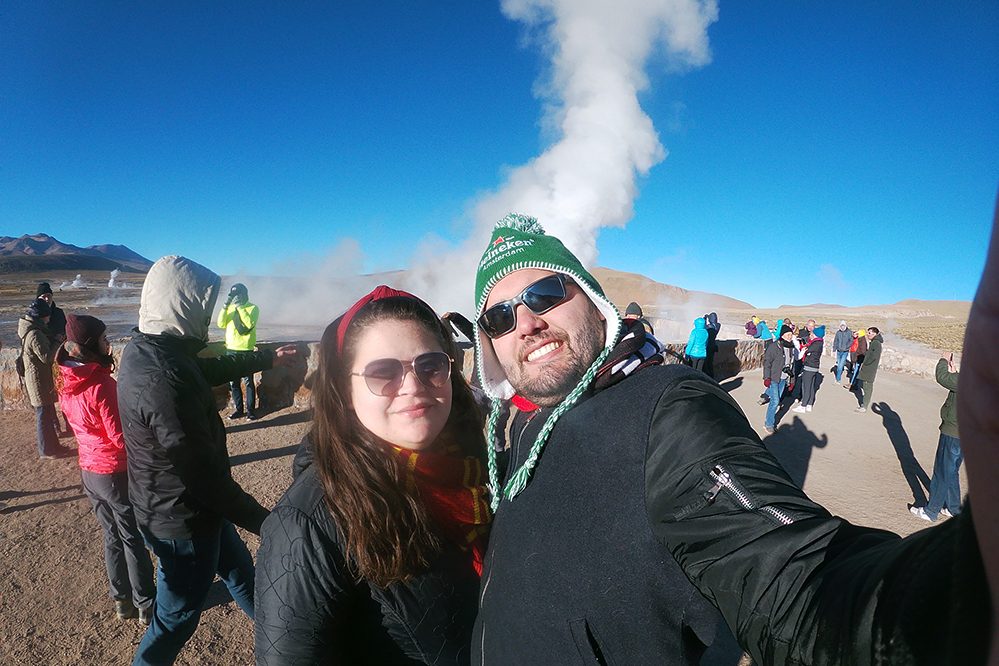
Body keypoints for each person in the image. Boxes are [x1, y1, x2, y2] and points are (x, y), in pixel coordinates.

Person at [468, 213, 987, 665]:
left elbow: (796, 587)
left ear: (595, 302)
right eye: (499, 316)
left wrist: (969, 593)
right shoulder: (522, 423)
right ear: (489, 343)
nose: (528, 322)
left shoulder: (665, 411)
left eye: (546, 294)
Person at [254, 286, 490, 665]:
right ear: (346, 392)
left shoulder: (474, 466)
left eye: (430, 365)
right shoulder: (308, 523)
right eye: (384, 372)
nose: (412, 387)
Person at [117, 256, 298, 666]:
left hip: (182, 509)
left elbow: (206, 370)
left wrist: (266, 357)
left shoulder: (151, 349)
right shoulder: (164, 379)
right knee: (175, 619)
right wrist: (265, 521)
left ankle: (288, 643)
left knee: (242, 576)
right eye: (204, 303)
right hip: (182, 518)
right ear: (183, 304)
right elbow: (202, 477)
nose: (209, 313)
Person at [56, 314, 155, 623]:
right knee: (131, 538)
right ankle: (146, 603)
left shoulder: (65, 380)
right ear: (89, 346)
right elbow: (120, 438)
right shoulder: (101, 384)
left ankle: (121, 601)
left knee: (111, 536)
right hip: (114, 472)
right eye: (103, 339)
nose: (108, 344)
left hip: (89, 470)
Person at [18, 298, 74, 459]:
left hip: (39, 379)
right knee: (43, 416)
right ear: (41, 316)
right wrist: (57, 342)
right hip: (38, 381)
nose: (49, 319)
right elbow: (46, 357)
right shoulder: (35, 334)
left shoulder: (34, 331)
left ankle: (53, 447)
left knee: (47, 414)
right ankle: (47, 450)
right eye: (47, 316)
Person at [910, 355, 962, 522]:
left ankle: (931, 510)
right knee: (952, 470)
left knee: (942, 471)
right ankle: (954, 508)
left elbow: (943, 377)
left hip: (953, 432)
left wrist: (943, 360)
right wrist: (956, 373)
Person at [217, 283, 261, 420]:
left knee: (248, 382)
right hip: (231, 349)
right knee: (233, 382)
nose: (236, 297)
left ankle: (251, 411)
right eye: (233, 295)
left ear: (244, 294)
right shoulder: (230, 308)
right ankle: (238, 410)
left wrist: (240, 307)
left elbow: (248, 324)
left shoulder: (253, 308)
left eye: (238, 295)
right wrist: (225, 306)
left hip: (246, 350)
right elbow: (220, 323)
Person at [36, 282, 71, 436]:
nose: (46, 298)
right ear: (38, 297)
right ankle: (55, 427)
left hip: (60, 358)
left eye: (48, 295)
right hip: (43, 360)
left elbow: (66, 331)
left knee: (65, 393)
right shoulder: (35, 314)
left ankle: (71, 425)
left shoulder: (58, 313)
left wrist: (61, 339)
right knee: (48, 397)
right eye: (43, 295)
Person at [762, 325, 795, 433]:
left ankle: (768, 420)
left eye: (791, 334)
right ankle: (769, 424)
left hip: (784, 378)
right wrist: (767, 377)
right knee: (775, 401)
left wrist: (792, 381)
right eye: (788, 334)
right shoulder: (774, 346)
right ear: (782, 335)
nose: (790, 336)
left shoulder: (791, 347)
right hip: (774, 377)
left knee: (776, 400)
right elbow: (767, 362)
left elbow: (791, 364)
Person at [793, 324, 824, 413]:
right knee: (811, 387)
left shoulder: (816, 343)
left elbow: (808, 350)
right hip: (814, 367)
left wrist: (804, 348)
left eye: (812, 334)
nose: (810, 335)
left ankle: (803, 405)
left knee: (806, 386)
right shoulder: (819, 342)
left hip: (810, 366)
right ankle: (809, 404)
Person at [855, 327, 883, 413]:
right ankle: (864, 404)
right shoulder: (874, 342)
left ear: (875, 334)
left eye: (870, 333)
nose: (868, 334)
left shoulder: (876, 343)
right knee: (866, 386)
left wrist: (866, 362)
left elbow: (873, 356)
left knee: (867, 387)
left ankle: (864, 406)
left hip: (870, 368)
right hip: (869, 367)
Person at [703, 312, 720, 378]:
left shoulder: (710, 327)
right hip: (713, 346)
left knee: (706, 363)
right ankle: (712, 377)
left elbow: (703, 327)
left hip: (708, 346)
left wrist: (704, 319)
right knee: (710, 362)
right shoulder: (718, 325)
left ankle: (708, 377)